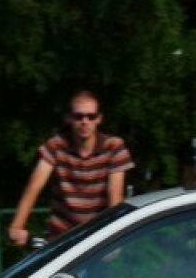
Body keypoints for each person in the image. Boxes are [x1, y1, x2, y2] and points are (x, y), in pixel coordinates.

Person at [8, 91, 134, 247]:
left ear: (99, 119)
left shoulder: (114, 147)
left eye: (91, 116)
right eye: (78, 116)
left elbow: (114, 198)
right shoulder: (56, 146)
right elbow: (35, 185)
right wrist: (17, 226)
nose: (85, 121)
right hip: (62, 237)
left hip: (97, 236)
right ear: (69, 118)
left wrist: (113, 239)